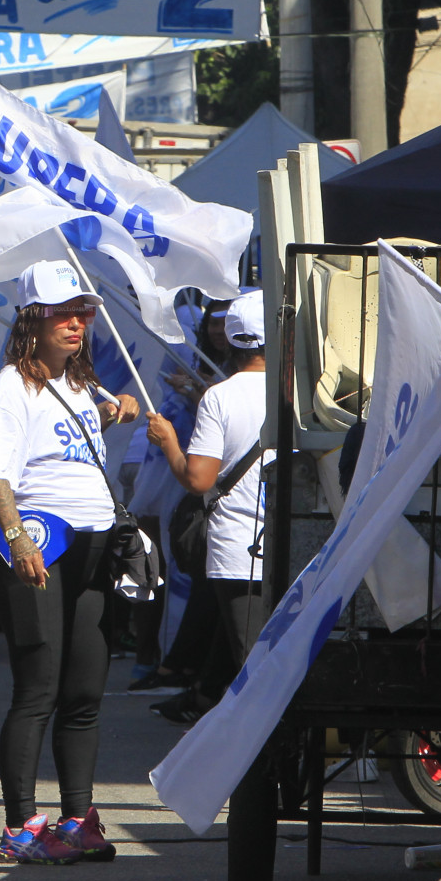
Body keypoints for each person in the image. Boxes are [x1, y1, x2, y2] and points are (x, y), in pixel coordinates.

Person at [0, 259, 141, 865]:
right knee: (37, 689)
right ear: (33, 320)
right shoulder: (8, 389)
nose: (78, 323)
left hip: (96, 547)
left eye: (85, 313)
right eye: (64, 313)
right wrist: (17, 540)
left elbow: (84, 424)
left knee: (84, 690)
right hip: (40, 549)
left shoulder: (81, 386)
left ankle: (77, 820)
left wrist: (115, 405)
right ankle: (20, 827)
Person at [147, 288, 275, 702]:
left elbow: (199, 479)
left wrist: (168, 439)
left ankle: (256, 760)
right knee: (277, 664)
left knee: (251, 669)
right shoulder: (299, 391)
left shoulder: (221, 395)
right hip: (294, 544)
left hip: (240, 549)